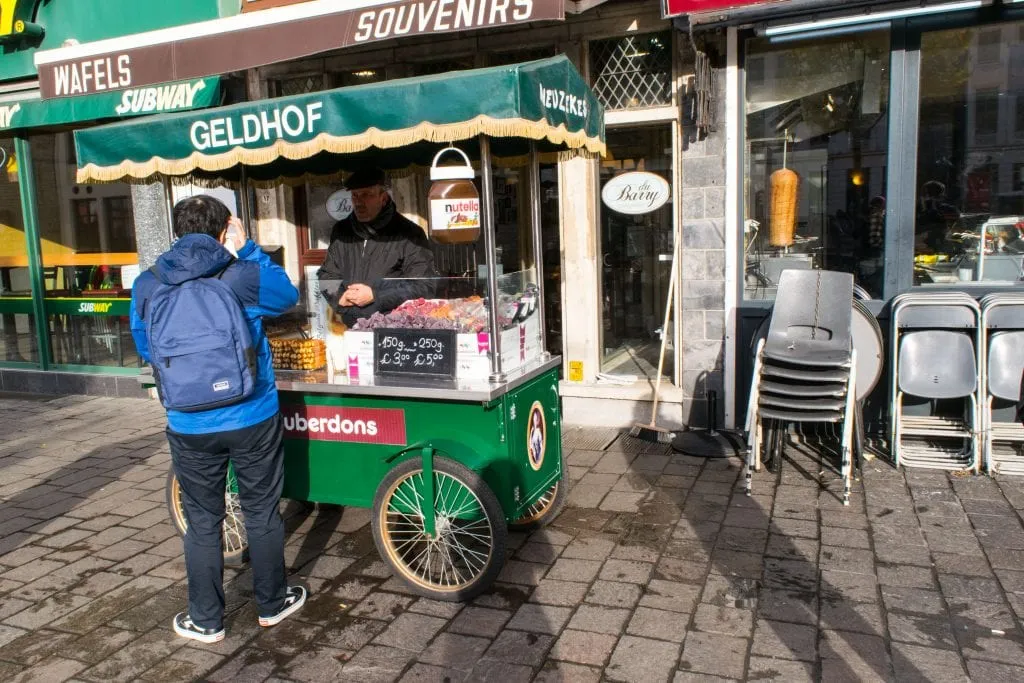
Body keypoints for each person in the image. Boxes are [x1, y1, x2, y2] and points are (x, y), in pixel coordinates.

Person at [130, 195, 303, 644]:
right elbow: (288, 296)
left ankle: (206, 619)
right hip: (251, 412)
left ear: (175, 230)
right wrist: (248, 249)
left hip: (188, 422)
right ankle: (271, 604)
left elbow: (147, 347)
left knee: (203, 519)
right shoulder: (240, 272)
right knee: (261, 510)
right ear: (225, 228)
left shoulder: (148, 283)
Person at [318, 167, 437, 327]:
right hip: (352, 328)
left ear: (383, 198)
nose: (359, 202)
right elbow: (327, 275)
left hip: (394, 329)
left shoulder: (409, 233)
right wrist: (339, 297)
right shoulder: (341, 231)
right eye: (355, 195)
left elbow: (424, 285)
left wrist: (375, 296)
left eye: (367, 195)